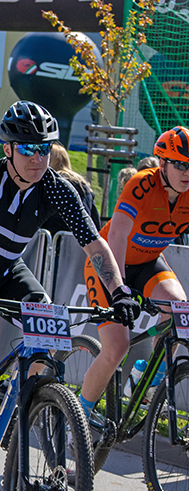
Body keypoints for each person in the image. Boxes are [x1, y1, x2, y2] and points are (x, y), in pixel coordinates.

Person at [0, 101, 139, 491]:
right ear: (8, 150)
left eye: (44, 148)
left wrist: (120, 292)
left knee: (51, 332)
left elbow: (96, 246)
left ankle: (22, 398)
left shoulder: (57, 188)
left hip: (8, 271)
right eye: (27, 149)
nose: (37, 158)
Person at [77, 126, 189, 419]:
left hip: (149, 261)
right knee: (117, 347)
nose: (187, 172)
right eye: (180, 164)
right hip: (110, 263)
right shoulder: (141, 184)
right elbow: (117, 238)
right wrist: (121, 290)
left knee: (179, 310)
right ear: (162, 163)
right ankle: (79, 415)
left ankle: (146, 382)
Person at [42, 142, 101, 234]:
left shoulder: (51, 184)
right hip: (79, 243)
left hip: (51, 241)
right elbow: (95, 223)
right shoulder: (83, 185)